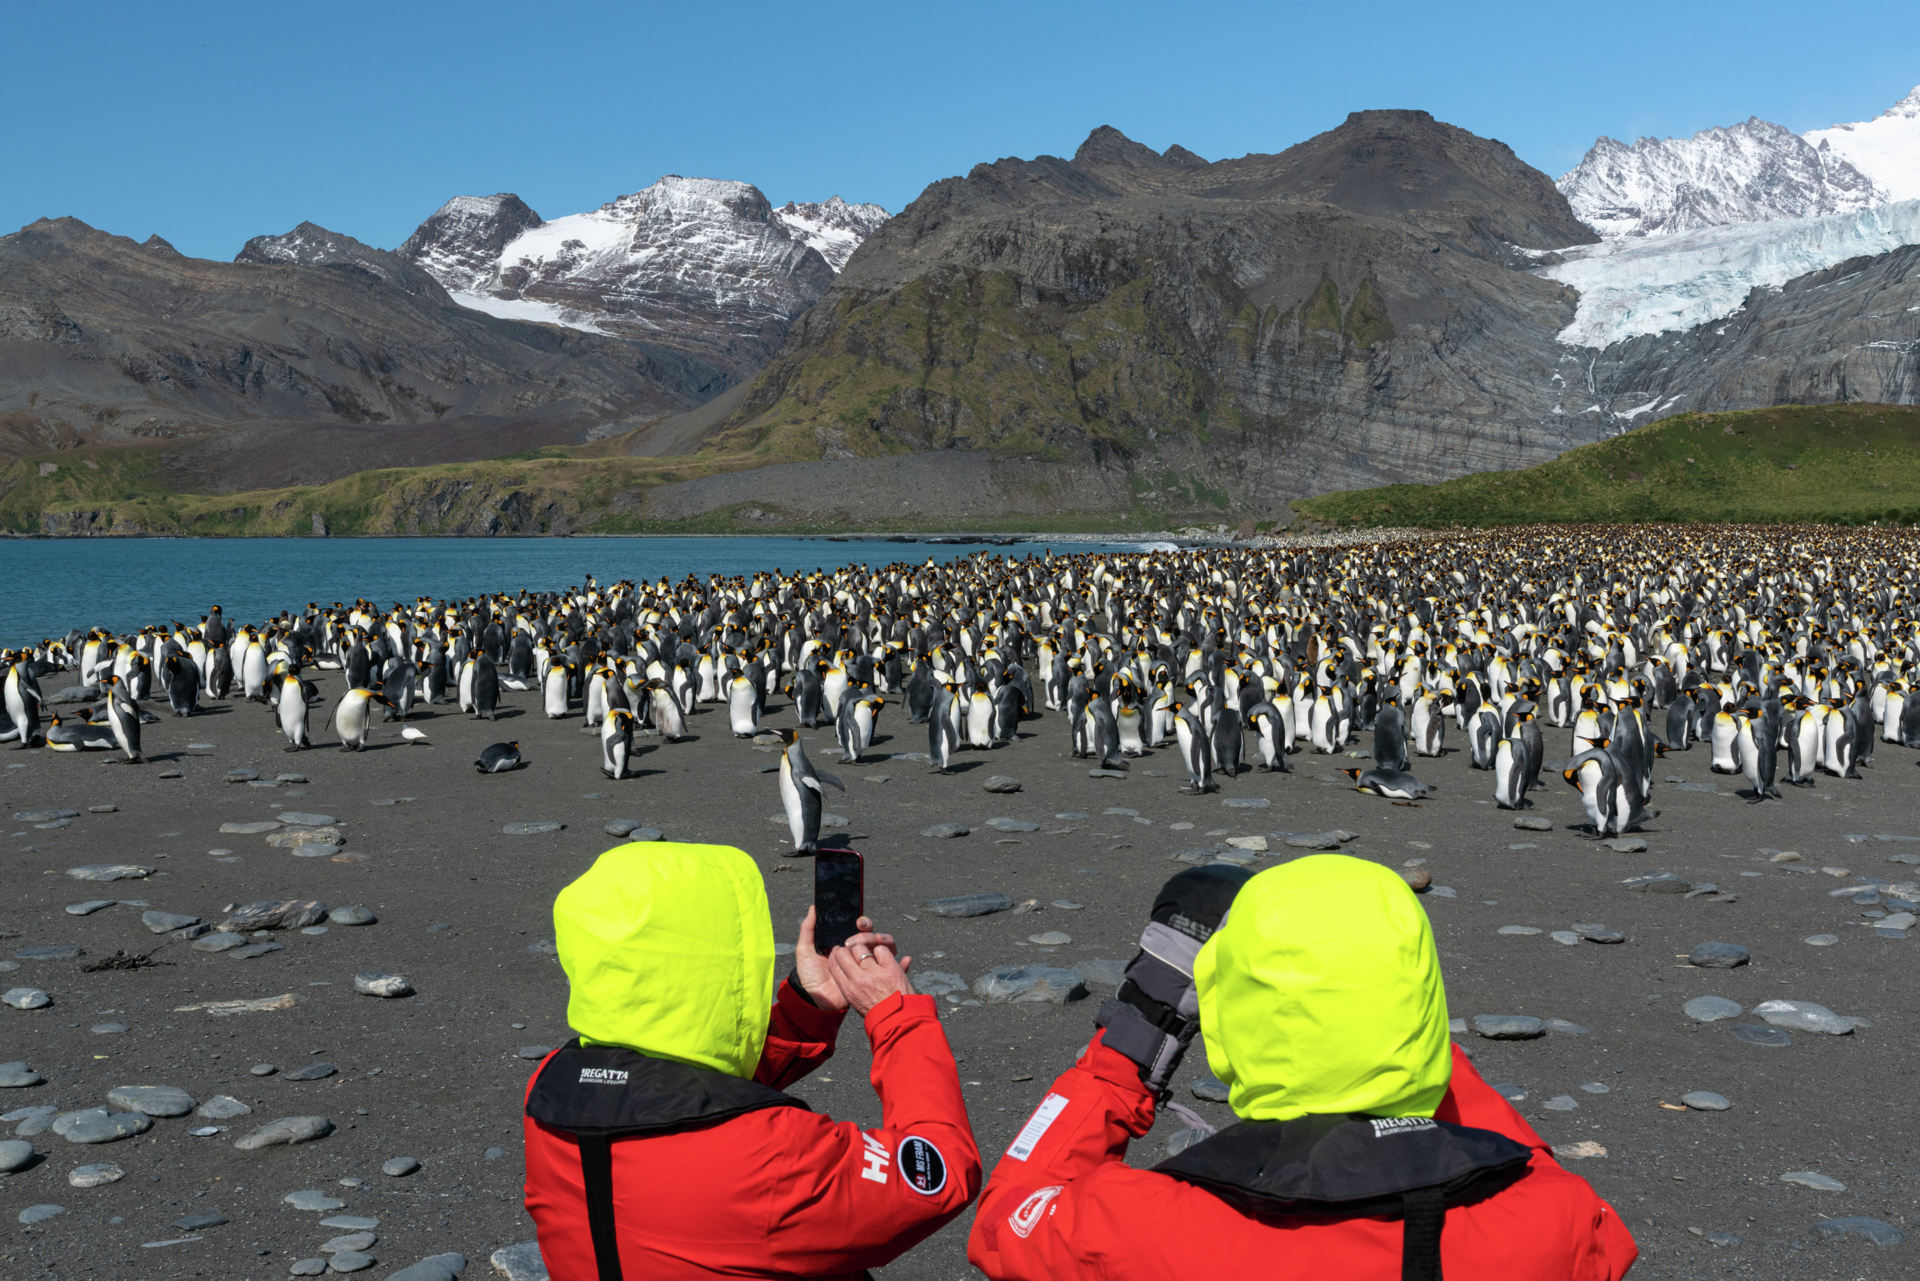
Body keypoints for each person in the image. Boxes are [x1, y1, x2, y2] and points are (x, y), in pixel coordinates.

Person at [967, 855, 1639, 1280]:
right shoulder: (1552, 1221)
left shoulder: (1148, 1227)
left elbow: (1005, 1218)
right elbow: (1547, 1176)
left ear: (1231, 1018)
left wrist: (1133, 1043)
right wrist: (1406, 1044)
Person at [522, 841, 980, 1279]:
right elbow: (939, 1171)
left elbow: (691, 1095)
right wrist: (897, 1016)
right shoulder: (774, 1155)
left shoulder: (548, 1090)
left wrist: (807, 1007)